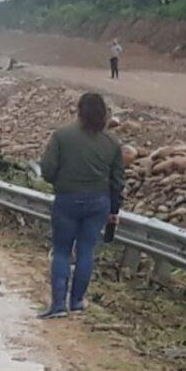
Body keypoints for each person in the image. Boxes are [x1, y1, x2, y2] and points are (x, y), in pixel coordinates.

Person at [37, 93, 124, 319]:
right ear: (103, 113)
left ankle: (58, 305)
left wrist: (60, 182)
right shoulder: (112, 142)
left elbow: (46, 170)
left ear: (79, 110)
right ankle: (76, 302)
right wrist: (114, 210)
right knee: (86, 250)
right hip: (98, 203)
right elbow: (117, 181)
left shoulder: (62, 136)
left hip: (67, 199)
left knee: (62, 251)